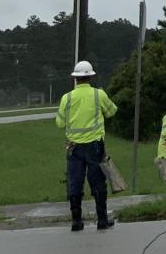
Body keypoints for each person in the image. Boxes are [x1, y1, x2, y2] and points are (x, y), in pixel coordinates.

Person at [55, 60, 117, 232]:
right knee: (97, 182)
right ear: (90, 77)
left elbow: (59, 123)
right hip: (95, 145)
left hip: (74, 147)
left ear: (75, 79)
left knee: (75, 182)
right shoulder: (99, 95)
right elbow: (112, 112)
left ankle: (76, 221)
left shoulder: (66, 98)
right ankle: (102, 220)